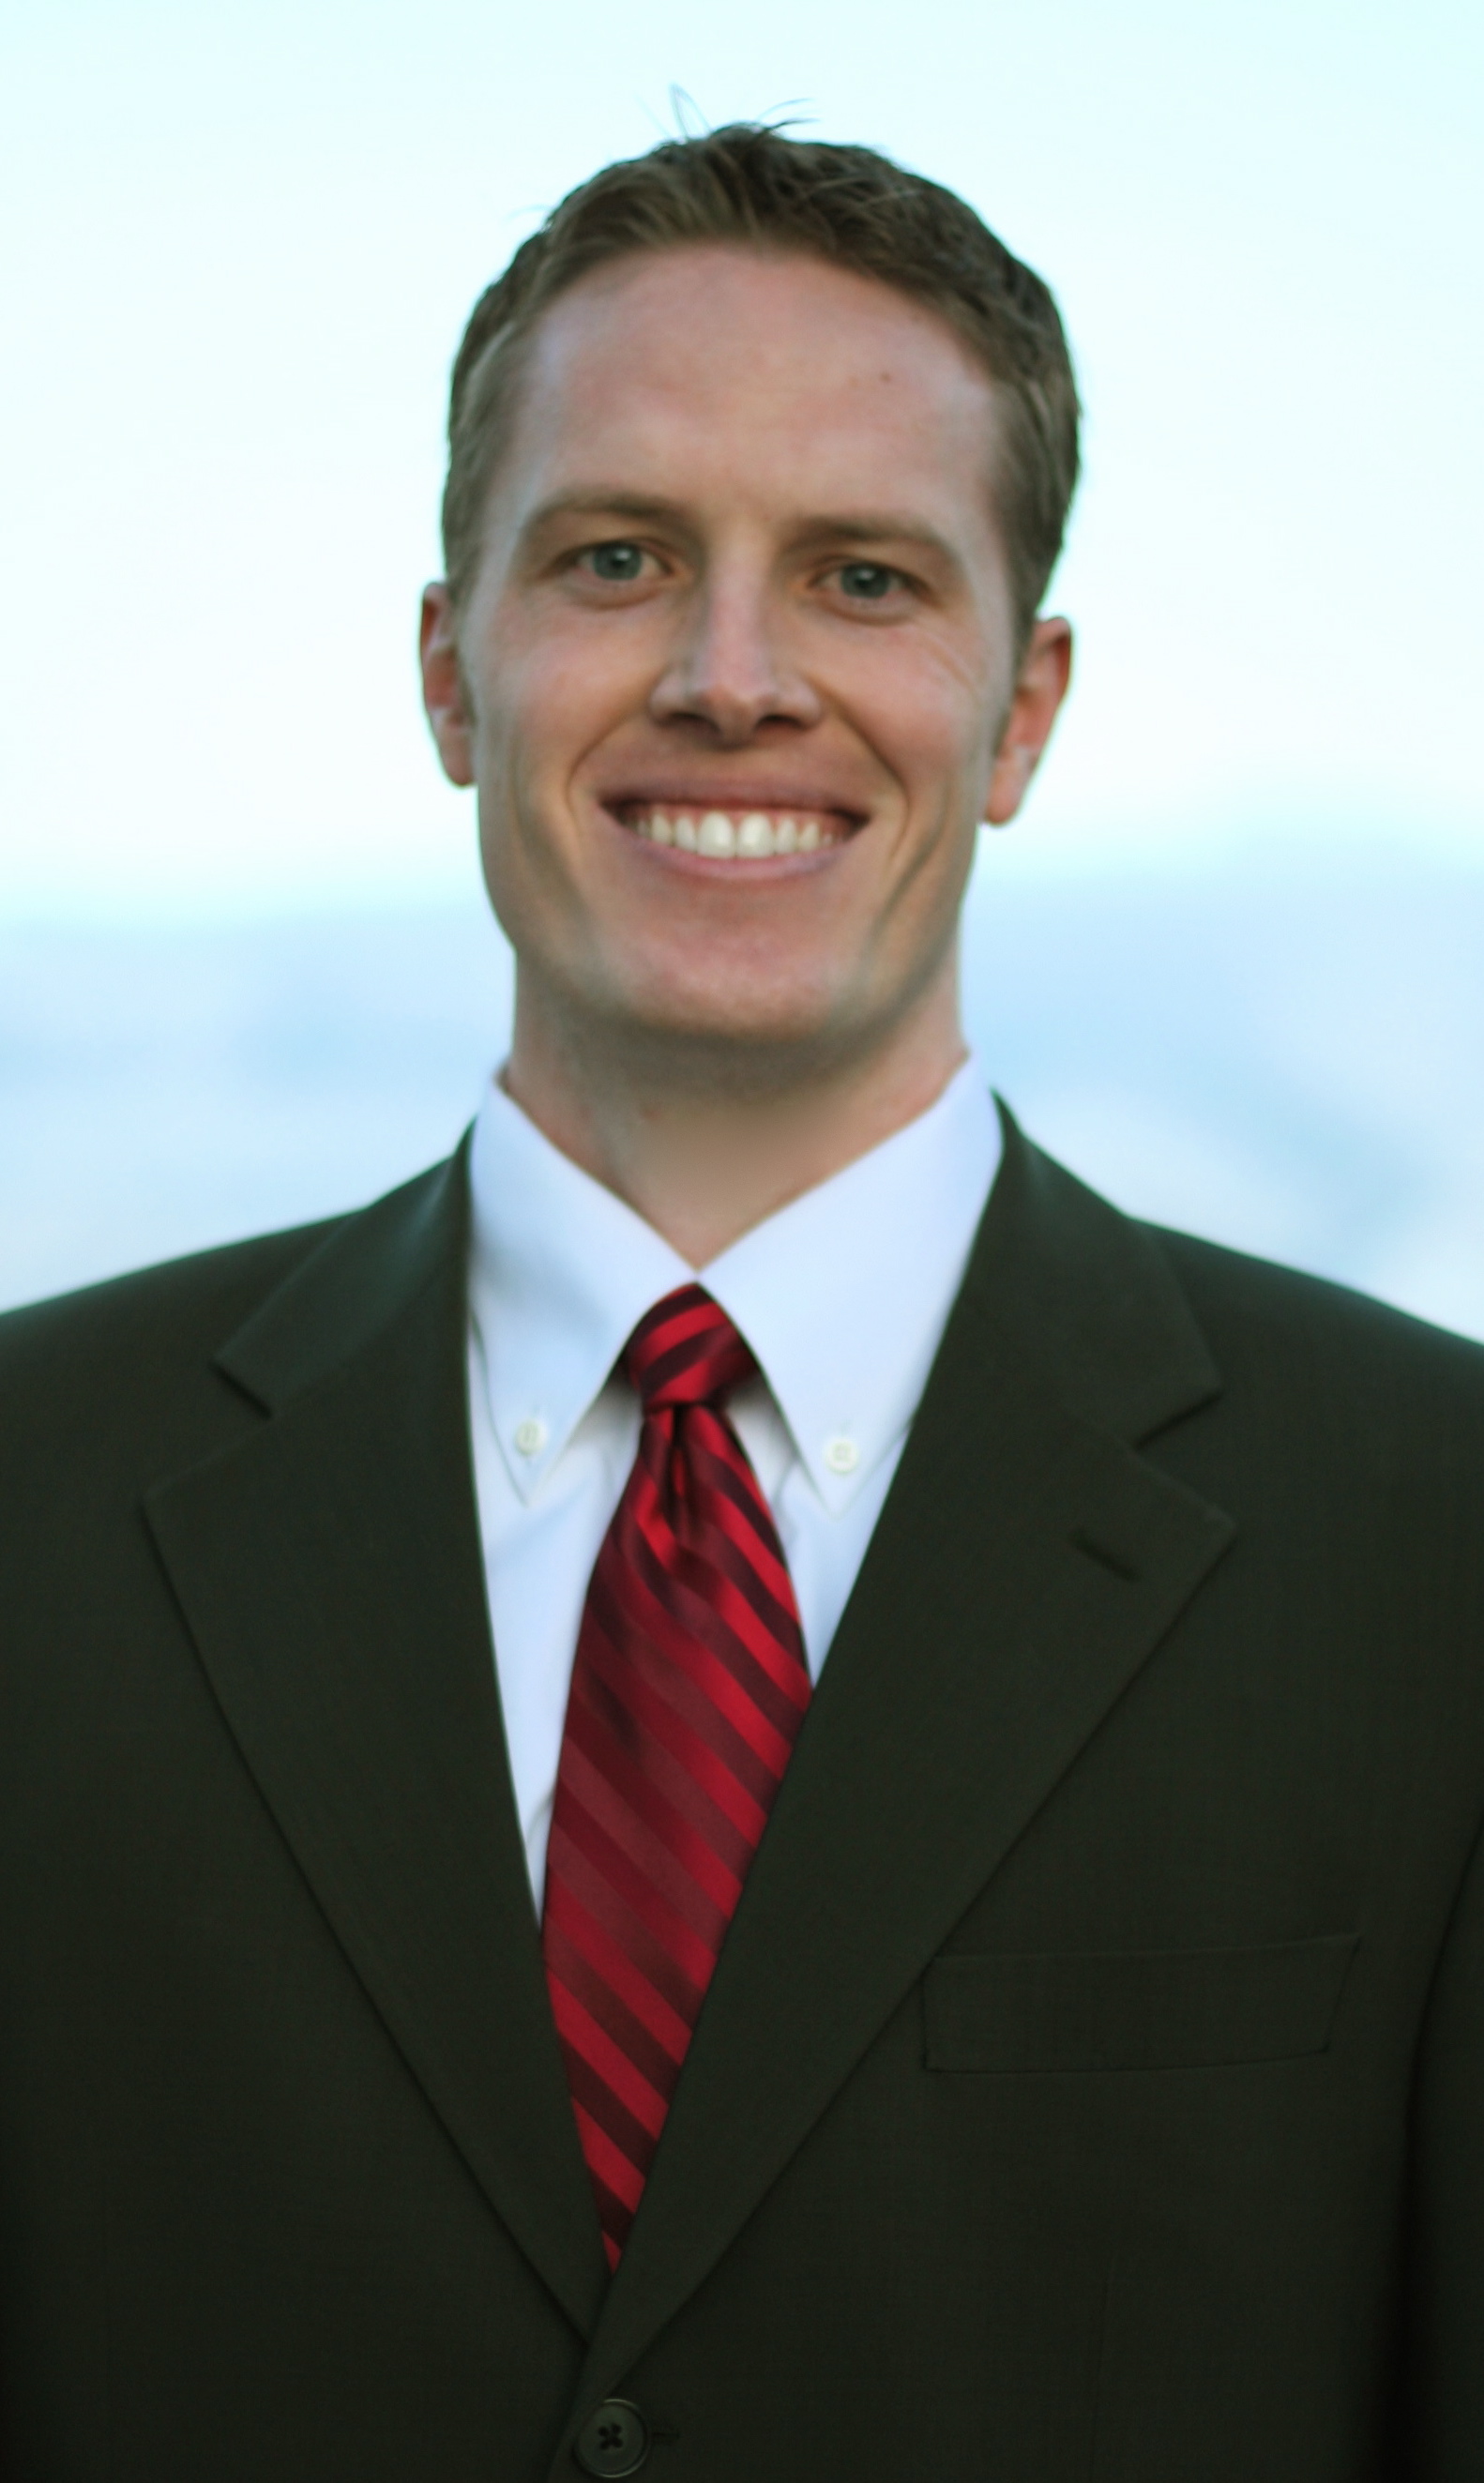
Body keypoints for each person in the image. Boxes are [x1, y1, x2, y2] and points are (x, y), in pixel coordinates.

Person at [1, 122, 1481, 2483]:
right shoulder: (32, 1504)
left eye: (861, 577)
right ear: (447, 672)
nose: (729, 679)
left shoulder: (1432, 1538)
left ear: (1019, 711)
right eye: (616, 558)